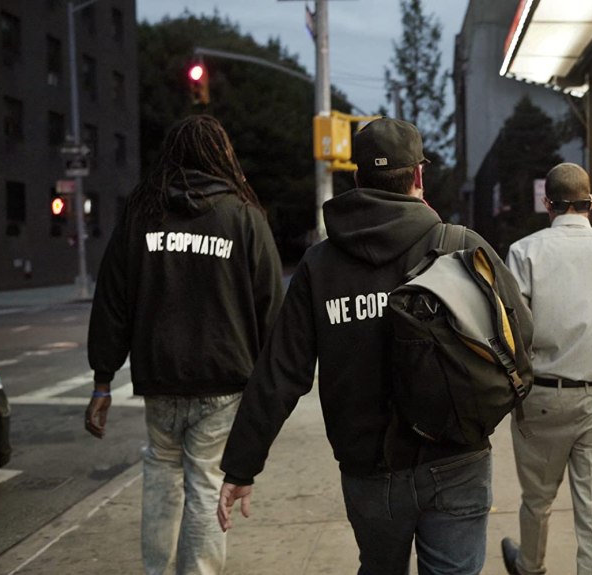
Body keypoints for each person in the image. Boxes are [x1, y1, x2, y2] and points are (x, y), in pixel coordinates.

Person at [216, 117, 533, 575]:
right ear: (418, 177)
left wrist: (241, 467)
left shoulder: (320, 266)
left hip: (370, 471)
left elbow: (281, 373)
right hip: (457, 457)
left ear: (357, 179)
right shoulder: (461, 248)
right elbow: (521, 337)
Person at [85, 115, 284, 574]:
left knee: (160, 476)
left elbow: (112, 299)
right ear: (223, 156)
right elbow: (271, 306)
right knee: (208, 484)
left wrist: (102, 381)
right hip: (223, 382)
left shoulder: (142, 215)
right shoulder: (244, 216)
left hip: (160, 379)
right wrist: (268, 388)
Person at [500, 163, 592, 575]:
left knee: (537, 499)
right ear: (591, 203)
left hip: (542, 397)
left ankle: (530, 566)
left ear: (548, 202)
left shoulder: (524, 252)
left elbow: (513, 334)